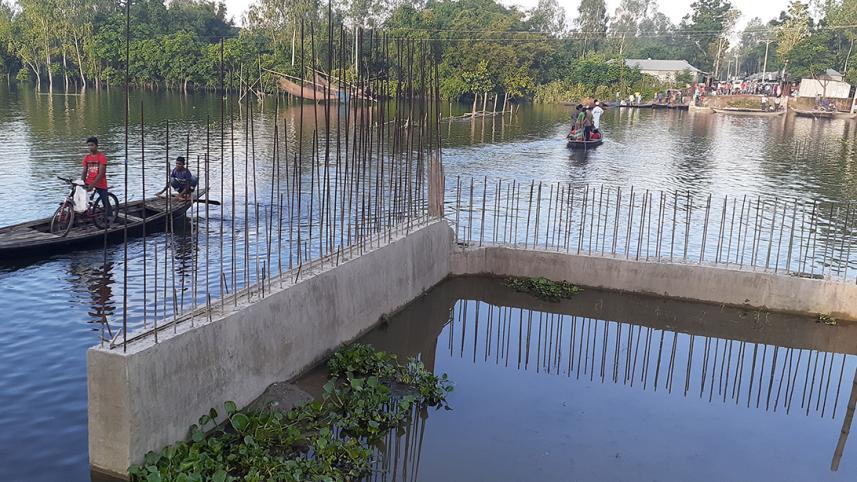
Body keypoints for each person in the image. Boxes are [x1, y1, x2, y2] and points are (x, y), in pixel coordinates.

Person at [80, 137, 111, 222]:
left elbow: (101, 174)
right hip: (89, 181)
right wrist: (81, 183)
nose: (90, 147)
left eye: (92, 145)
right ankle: (83, 213)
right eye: (88, 145)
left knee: (104, 199)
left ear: (97, 146)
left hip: (100, 182)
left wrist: (92, 185)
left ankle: (109, 216)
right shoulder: (87, 157)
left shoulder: (101, 157)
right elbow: (84, 171)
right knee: (80, 195)